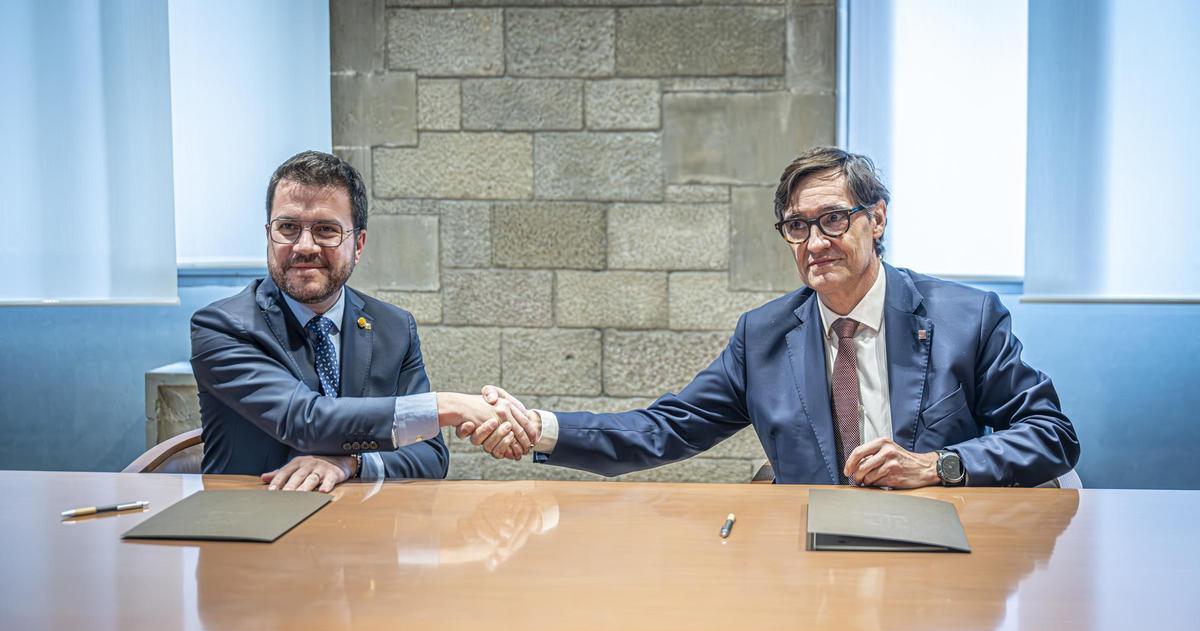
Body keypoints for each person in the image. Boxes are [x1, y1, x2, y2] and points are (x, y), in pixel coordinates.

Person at [467, 147, 1079, 488]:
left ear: (878, 219)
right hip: (815, 559)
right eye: (797, 226)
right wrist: (540, 426)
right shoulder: (763, 336)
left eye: (833, 219)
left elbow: (1054, 436)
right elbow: (661, 430)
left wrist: (938, 465)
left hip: (948, 549)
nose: (815, 243)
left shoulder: (964, 317)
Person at [191, 151, 535, 492]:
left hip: (363, 531)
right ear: (269, 235)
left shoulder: (394, 328)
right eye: (288, 228)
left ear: (358, 244)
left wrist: (352, 463)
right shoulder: (223, 327)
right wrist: (449, 406)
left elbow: (430, 454)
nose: (304, 245)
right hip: (249, 526)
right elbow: (306, 420)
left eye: (326, 230)